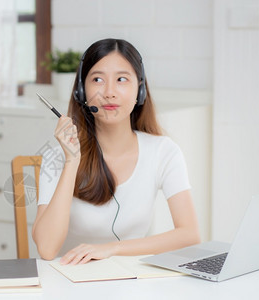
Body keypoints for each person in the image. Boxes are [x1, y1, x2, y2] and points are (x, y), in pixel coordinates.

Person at [32, 38, 200, 265]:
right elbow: (47, 248)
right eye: (98, 79)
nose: (109, 92)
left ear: (139, 90)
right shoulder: (56, 156)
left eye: (122, 79)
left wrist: (111, 249)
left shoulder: (163, 151)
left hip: (132, 280)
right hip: (70, 279)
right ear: (82, 91)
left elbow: (189, 235)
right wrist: (72, 161)